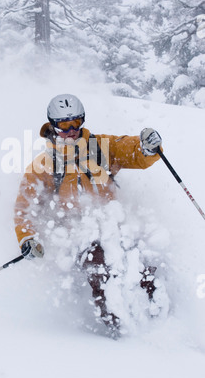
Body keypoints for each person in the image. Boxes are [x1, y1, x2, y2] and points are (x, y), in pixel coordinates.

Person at [14, 94, 162, 335]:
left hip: (113, 222)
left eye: (76, 122)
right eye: (64, 125)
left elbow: (132, 151)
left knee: (141, 262)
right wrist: (27, 238)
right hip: (76, 232)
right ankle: (117, 330)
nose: (72, 130)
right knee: (99, 266)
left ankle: (160, 314)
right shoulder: (43, 165)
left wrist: (147, 148)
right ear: (53, 125)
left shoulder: (102, 146)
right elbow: (25, 207)